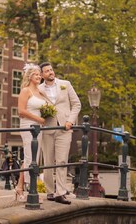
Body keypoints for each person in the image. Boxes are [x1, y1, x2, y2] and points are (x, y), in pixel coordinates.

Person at [39, 62, 81, 205]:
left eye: (51, 69)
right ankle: (50, 191)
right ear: (42, 75)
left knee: (62, 161)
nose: (50, 72)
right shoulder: (38, 89)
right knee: (48, 161)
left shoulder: (65, 84)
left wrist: (70, 121)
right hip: (47, 129)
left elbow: (76, 104)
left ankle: (61, 193)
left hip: (64, 128)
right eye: (46, 71)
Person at [15, 63, 46, 202]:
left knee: (33, 157)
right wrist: (38, 119)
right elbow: (21, 111)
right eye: (36, 74)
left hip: (39, 128)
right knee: (29, 156)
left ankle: (19, 187)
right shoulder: (25, 91)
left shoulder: (40, 92)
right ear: (30, 76)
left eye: (40, 74)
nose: (39, 76)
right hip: (28, 126)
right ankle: (30, 190)